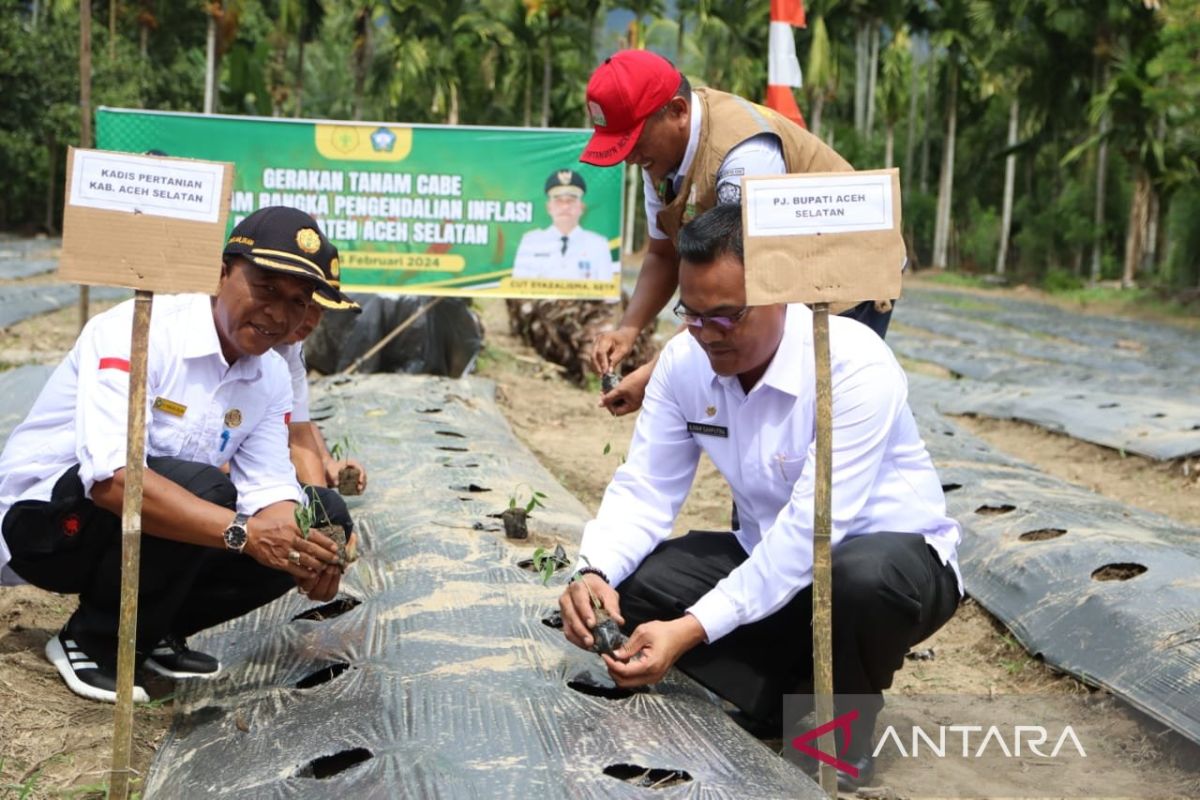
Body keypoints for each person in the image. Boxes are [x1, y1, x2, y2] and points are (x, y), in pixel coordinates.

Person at [556, 205, 961, 791]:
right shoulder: (684, 362)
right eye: (691, 316)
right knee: (636, 590)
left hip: (889, 566)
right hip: (772, 559)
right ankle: (787, 701)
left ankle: (835, 735)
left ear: (780, 291)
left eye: (726, 317)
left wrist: (692, 629)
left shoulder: (852, 364)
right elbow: (645, 489)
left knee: (857, 580)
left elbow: (812, 534)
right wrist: (592, 571)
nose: (707, 335)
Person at [0, 206, 359, 704]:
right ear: (220, 273)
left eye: (298, 301)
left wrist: (308, 549)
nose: (279, 314)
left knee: (322, 512)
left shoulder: (270, 374)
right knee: (209, 491)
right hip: (47, 525)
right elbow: (111, 481)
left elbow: (271, 486)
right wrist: (244, 533)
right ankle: (92, 640)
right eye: (267, 288)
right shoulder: (141, 332)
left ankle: (155, 631)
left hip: (144, 530)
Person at [580, 50, 891, 416]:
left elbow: (731, 287)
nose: (630, 157)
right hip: (775, 274)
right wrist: (627, 331)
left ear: (678, 112)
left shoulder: (745, 155)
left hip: (842, 282)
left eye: (633, 140)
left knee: (813, 412)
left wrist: (653, 375)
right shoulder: (659, 160)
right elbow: (663, 255)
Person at [275, 296, 370, 496]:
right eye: (304, 304)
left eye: (321, 310)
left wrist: (327, 464)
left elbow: (300, 428)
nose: (312, 320)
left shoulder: (290, 350)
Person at [512, 169, 616, 283]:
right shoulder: (531, 242)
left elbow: (608, 295)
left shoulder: (598, 245)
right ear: (548, 207)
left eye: (571, 201)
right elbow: (518, 290)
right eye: (558, 201)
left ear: (582, 207)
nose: (565, 207)